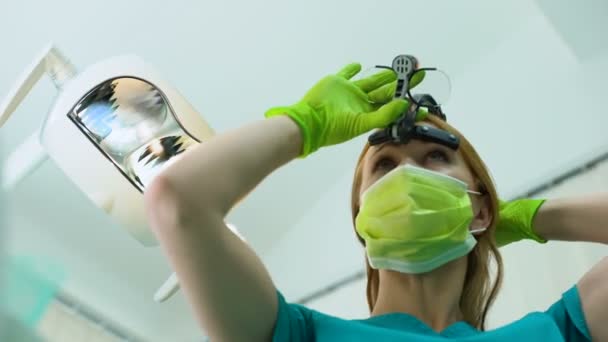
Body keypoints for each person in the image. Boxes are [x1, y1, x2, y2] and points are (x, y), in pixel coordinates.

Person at [143, 62, 607, 341]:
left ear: (480, 210)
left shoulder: (553, 332)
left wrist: (529, 218)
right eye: (384, 165)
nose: (408, 173)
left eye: (436, 156)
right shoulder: (298, 335)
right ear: (363, 219)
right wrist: (307, 124)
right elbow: (179, 200)